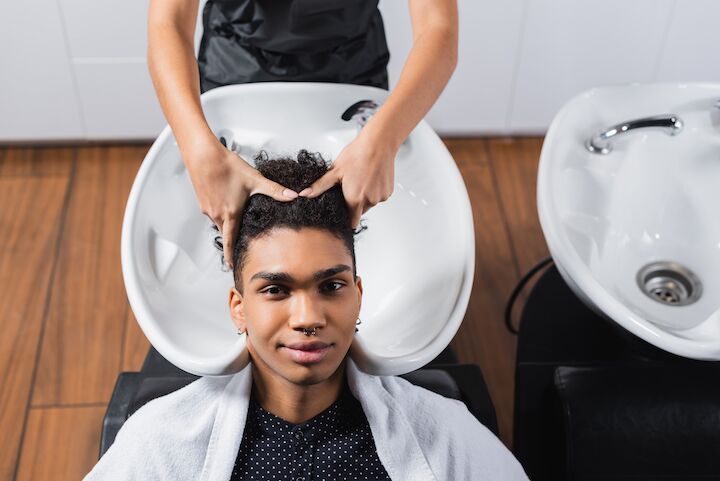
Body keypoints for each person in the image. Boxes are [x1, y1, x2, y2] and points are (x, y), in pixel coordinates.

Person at [82, 151, 529, 480]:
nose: (307, 317)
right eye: (276, 290)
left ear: (357, 294)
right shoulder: (157, 444)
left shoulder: (446, 436)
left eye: (331, 286)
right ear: (239, 308)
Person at [147, 0, 458, 268]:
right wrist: (199, 151)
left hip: (352, 68)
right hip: (235, 69)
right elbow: (168, 21)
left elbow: (438, 26)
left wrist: (383, 140)